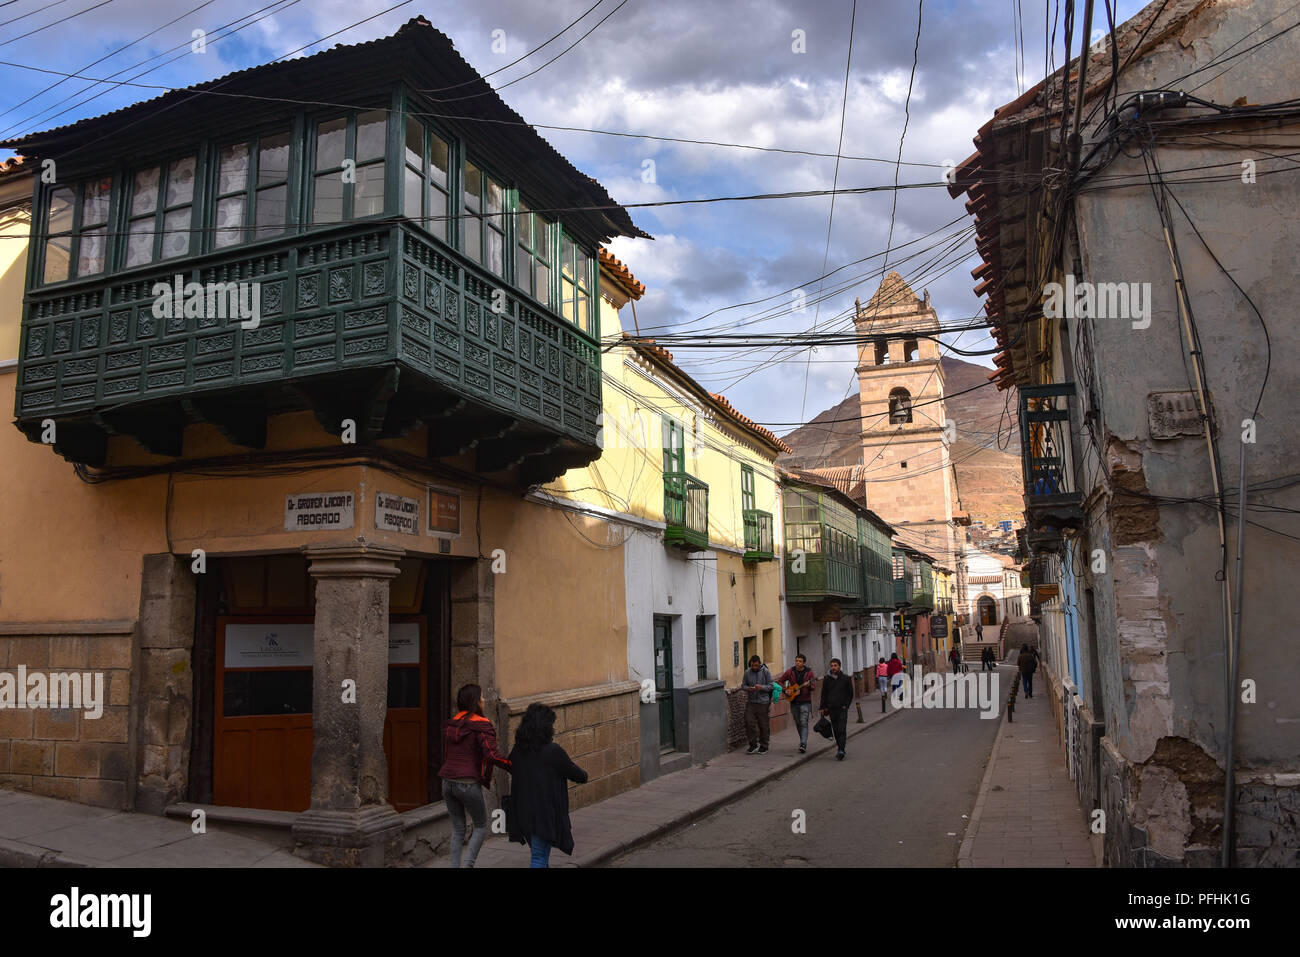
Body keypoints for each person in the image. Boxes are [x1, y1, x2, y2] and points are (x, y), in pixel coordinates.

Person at [437, 683, 512, 869]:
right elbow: (492, 755)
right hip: (467, 783)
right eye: (481, 697)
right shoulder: (481, 725)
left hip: (447, 782)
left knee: (458, 828)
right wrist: (513, 767)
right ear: (475, 702)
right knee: (480, 825)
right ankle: (468, 865)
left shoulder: (453, 723)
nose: (484, 700)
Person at [505, 702, 588, 868]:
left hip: (522, 813)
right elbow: (578, 775)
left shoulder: (517, 750)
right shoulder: (553, 751)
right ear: (546, 727)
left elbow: (511, 767)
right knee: (539, 858)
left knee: (539, 854)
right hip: (542, 815)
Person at [776, 654, 817, 753]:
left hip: (805, 701)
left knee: (804, 721)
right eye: (796, 661)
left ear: (804, 663)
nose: (798, 663)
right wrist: (786, 690)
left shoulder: (809, 672)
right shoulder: (790, 671)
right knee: (798, 722)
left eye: (800, 661)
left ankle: (803, 743)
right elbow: (779, 681)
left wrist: (808, 685)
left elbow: (813, 687)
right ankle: (802, 741)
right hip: (793, 701)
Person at [819, 658, 854, 760]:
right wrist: (822, 707)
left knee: (842, 729)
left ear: (839, 666)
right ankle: (840, 747)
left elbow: (850, 694)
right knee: (836, 730)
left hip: (842, 708)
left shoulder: (846, 678)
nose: (833, 667)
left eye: (835, 665)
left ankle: (841, 750)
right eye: (832, 665)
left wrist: (846, 705)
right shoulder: (827, 679)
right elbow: (824, 694)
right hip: (831, 709)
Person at [741, 655, 774, 754]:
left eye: (756, 665)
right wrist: (748, 688)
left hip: (763, 702)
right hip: (751, 702)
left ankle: (764, 745)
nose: (754, 667)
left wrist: (762, 687)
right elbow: (743, 685)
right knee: (748, 722)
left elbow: (771, 686)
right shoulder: (747, 672)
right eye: (752, 666)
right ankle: (753, 744)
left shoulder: (765, 672)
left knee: (763, 724)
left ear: (759, 663)